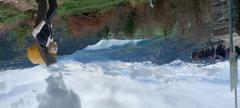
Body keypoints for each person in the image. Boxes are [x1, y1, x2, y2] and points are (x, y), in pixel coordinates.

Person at [27, 0, 58, 64]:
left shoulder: (43, 42)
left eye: (53, 52)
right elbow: (49, 32)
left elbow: (34, 33)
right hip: (48, 23)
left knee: (43, 4)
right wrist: (50, 24)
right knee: (54, 8)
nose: (55, 50)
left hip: (41, 22)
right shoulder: (51, 42)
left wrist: (43, 22)